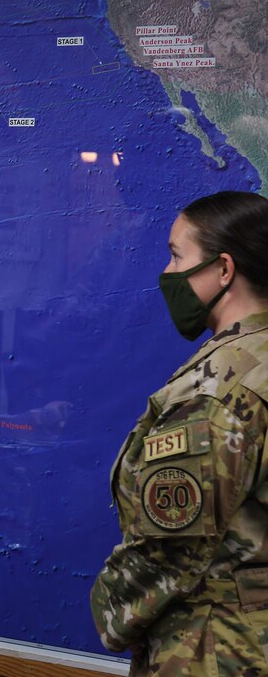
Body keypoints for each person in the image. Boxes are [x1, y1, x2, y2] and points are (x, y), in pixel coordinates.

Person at [91, 191, 268, 675]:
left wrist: (110, 615)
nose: (168, 273)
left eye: (177, 255)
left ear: (224, 269)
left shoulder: (218, 392)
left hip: (215, 652)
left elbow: (172, 550)